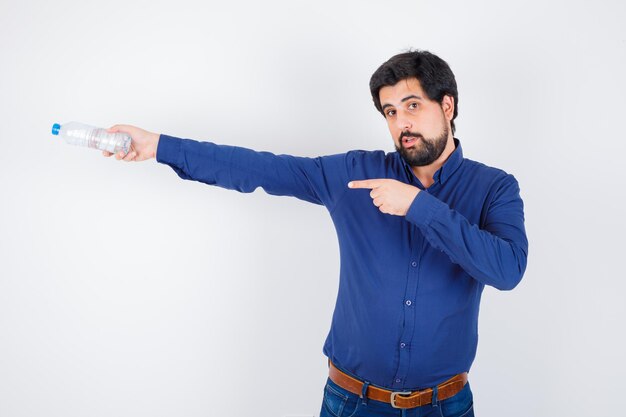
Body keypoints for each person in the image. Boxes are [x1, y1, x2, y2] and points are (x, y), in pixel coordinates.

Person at [103, 50, 528, 416]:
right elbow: (258, 168)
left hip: (445, 405)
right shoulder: (353, 174)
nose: (402, 124)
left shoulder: (495, 187)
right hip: (351, 402)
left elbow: (507, 269)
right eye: (391, 112)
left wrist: (419, 207)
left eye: (413, 105)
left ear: (448, 106)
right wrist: (158, 145)